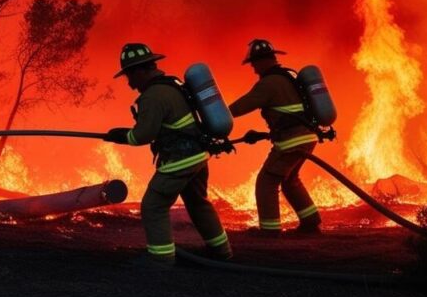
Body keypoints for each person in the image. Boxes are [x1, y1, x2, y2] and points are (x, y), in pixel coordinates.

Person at [103, 42, 232, 264]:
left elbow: (143, 135)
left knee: (153, 205)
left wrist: (122, 136)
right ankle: (222, 251)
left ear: (140, 71)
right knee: (198, 202)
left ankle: (160, 259)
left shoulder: (152, 96)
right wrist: (127, 132)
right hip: (198, 157)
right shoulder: (172, 84)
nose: (129, 83)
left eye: (129, 76)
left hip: (179, 161)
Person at [229, 38, 321, 235]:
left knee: (266, 181)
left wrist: (217, 116)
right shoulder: (289, 75)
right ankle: (310, 221)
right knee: (289, 179)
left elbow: (241, 106)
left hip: (291, 140)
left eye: (254, 63)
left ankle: (270, 231)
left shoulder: (268, 83)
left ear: (263, 61)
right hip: (307, 136)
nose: (253, 68)